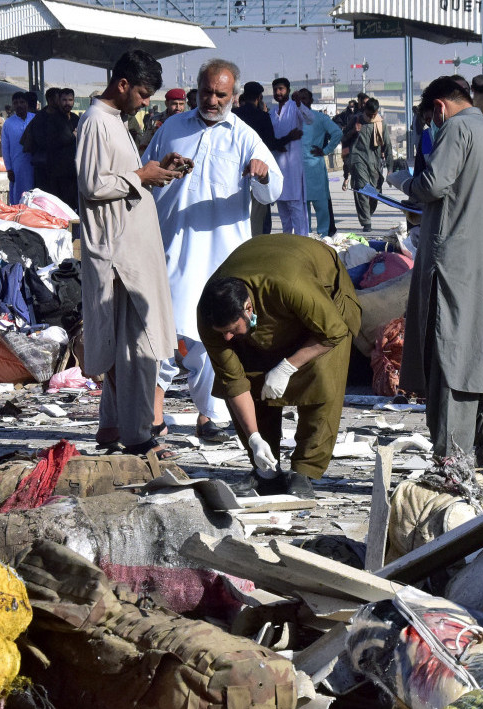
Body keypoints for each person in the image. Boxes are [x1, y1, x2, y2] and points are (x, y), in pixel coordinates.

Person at [142, 58, 282, 443]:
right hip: (171, 247)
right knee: (163, 334)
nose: (213, 100)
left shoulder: (244, 136)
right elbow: (144, 175)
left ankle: (209, 415)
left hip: (221, 257)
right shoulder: (171, 127)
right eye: (207, 92)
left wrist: (263, 172)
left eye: (222, 94)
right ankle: (154, 416)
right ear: (196, 91)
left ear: (234, 96)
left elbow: (273, 190)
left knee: (211, 336)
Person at [386, 76, 483, 470]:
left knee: (451, 357)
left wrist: (400, 181)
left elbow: (433, 183)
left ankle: (452, 459)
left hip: (453, 266)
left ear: (439, 108)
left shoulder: (456, 129)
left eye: (431, 121)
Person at [76, 48, 182, 458]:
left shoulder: (116, 121)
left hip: (130, 248)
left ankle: (114, 426)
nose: (145, 102)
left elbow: (117, 180)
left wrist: (156, 171)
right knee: (138, 345)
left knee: (130, 343)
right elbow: (93, 185)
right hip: (117, 253)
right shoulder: (95, 123)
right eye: (141, 93)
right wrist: (141, 175)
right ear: (122, 84)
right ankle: (138, 435)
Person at [198, 235, 361, 497]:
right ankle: (266, 472)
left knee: (322, 376)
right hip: (275, 295)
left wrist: (287, 366)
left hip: (324, 297)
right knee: (250, 377)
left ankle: (304, 471)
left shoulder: (291, 286)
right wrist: (254, 439)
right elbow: (234, 381)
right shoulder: (210, 317)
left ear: (247, 308)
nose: (226, 338)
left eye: (231, 330)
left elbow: (333, 332)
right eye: (222, 333)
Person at [235, 81, 289, 236]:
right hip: (257, 172)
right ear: (259, 97)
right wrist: (289, 138)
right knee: (261, 217)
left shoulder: (234, 115)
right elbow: (271, 143)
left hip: (237, 172)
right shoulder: (263, 117)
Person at [294, 88, 342, 237]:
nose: (302, 101)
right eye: (299, 98)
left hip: (315, 166)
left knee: (321, 205)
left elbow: (337, 133)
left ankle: (323, 236)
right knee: (302, 207)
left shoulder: (319, 118)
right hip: (296, 168)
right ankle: (305, 236)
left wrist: (326, 150)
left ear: (311, 101)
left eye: (305, 98)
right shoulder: (291, 119)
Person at [23, 87, 79, 205]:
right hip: (54, 172)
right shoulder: (50, 119)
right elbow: (48, 142)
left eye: (70, 100)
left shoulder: (76, 119)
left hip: (72, 171)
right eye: (64, 100)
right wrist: (72, 136)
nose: (67, 103)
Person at [269, 78, 308, 236]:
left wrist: (300, 104)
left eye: (281, 89)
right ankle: (287, 243)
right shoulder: (271, 112)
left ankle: (302, 242)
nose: (278, 92)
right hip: (277, 165)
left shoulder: (295, 107)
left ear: (288, 90)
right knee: (283, 212)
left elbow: (309, 119)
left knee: (296, 210)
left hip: (293, 168)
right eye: (276, 89)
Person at [346, 98, 391, 232]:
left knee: (374, 193)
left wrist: (390, 169)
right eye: (369, 114)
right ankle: (366, 222)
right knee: (361, 189)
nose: (372, 117)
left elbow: (388, 146)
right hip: (358, 159)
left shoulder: (381, 123)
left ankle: (368, 214)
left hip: (374, 163)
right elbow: (344, 138)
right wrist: (353, 131)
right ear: (365, 110)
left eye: (374, 114)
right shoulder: (356, 120)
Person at [2, 92, 36, 204]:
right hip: (17, 167)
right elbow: (5, 148)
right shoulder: (8, 123)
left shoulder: (35, 119)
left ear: (27, 103)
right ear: (12, 105)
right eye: (16, 103)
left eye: (22, 102)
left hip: (34, 166)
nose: (19, 105)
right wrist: (9, 168)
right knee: (18, 196)